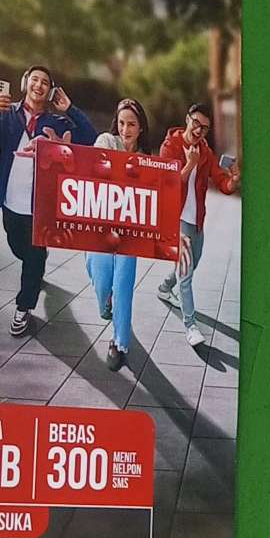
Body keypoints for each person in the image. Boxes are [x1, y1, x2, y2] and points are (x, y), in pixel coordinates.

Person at [0, 66, 97, 337]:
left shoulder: (58, 122)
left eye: (45, 82)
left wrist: (71, 109)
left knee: (32, 257)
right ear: (25, 83)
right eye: (35, 80)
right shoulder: (8, 113)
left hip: (41, 206)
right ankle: (37, 262)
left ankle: (23, 307)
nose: (39, 85)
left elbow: (91, 140)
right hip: (10, 201)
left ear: (50, 91)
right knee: (18, 247)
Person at [156, 101, 239, 353]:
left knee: (192, 264)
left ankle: (164, 288)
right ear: (187, 119)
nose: (199, 130)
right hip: (176, 219)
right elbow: (167, 184)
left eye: (204, 127)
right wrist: (189, 164)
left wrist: (233, 180)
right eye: (196, 123)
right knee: (186, 275)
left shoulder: (205, 151)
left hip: (197, 221)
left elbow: (222, 182)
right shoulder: (170, 146)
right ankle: (190, 325)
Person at [84, 97, 151, 372]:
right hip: (100, 224)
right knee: (101, 280)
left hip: (129, 230)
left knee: (123, 283)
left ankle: (119, 342)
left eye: (131, 124)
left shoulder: (147, 158)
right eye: (122, 123)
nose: (125, 129)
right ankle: (106, 303)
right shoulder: (106, 141)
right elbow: (96, 165)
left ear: (141, 127)